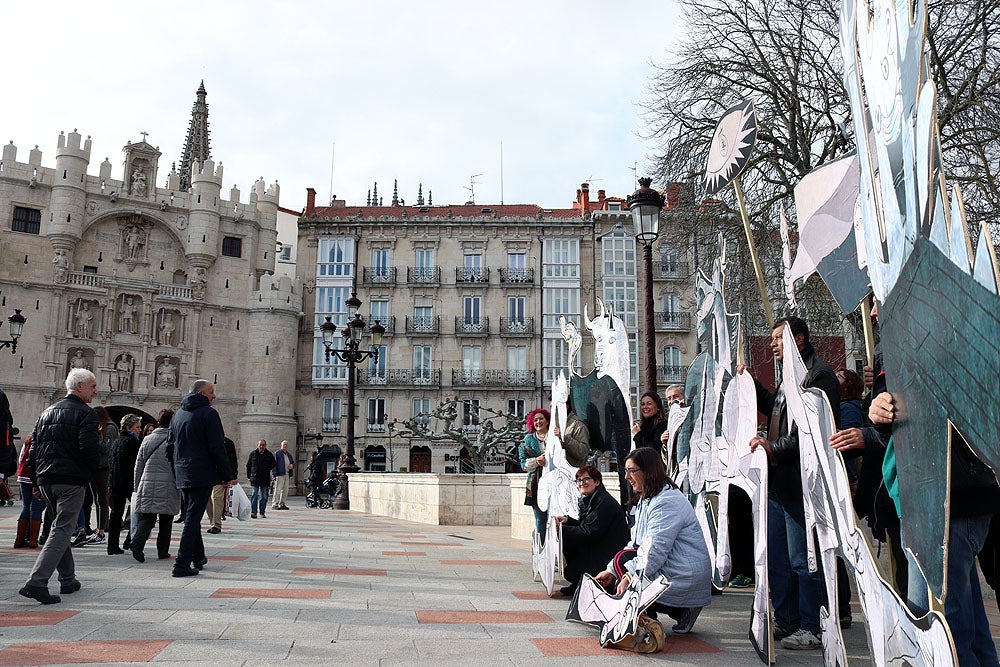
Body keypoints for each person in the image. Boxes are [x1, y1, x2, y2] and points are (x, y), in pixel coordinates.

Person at [871, 390, 1000, 665]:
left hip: (948, 497)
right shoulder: (898, 349)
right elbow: (897, 426)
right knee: (965, 630)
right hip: (922, 495)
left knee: (940, 635)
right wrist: (880, 414)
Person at [740, 315, 840, 650]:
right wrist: (750, 384)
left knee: (805, 559)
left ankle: (813, 624)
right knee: (780, 559)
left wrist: (771, 448)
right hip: (781, 484)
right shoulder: (789, 377)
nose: (772, 344)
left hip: (804, 487)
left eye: (778, 339)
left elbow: (812, 436)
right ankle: (788, 620)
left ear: (798, 340)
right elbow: (776, 409)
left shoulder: (818, 376)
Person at [594, 447, 712, 634]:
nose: (627, 477)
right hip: (672, 566)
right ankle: (649, 612)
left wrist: (629, 577)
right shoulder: (648, 498)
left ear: (648, 471)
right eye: (626, 471)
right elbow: (635, 544)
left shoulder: (667, 502)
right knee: (621, 561)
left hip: (684, 573)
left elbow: (654, 551)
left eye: (632, 471)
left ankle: (678, 611)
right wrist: (611, 571)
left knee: (626, 568)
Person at [19, 368, 100, 605]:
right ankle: (37, 581)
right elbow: (89, 450)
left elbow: (33, 450)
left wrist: (36, 481)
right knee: (62, 529)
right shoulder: (86, 414)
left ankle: (68, 578)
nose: (96, 391)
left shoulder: (46, 412)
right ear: (80, 387)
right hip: (71, 480)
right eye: (93, 386)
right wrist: (92, 474)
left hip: (47, 480)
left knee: (59, 527)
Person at [170, 379, 234, 577]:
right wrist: (226, 475)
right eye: (211, 392)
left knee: (192, 515)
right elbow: (217, 447)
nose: (214, 396)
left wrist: (176, 470)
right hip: (201, 472)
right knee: (192, 519)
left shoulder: (178, 415)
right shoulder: (209, 413)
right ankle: (181, 563)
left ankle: (198, 556)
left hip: (183, 473)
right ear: (200, 393)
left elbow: (169, 447)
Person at [555, 465, 630, 597]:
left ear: (597, 482)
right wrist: (567, 521)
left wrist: (562, 529)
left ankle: (582, 582)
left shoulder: (603, 502)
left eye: (585, 479)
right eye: (578, 480)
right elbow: (587, 525)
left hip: (608, 556)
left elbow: (590, 532)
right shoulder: (593, 499)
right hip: (601, 549)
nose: (581, 483)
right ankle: (578, 583)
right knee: (569, 541)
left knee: (570, 571)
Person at [131, 410, 179, 562]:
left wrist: (137, 486)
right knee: (166, 519)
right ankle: (162, 551)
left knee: (148, 517)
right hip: (169, 483)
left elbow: (138, 465)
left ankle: (137, 542)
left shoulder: (147, 439)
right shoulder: (175, 440)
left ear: (158, 422)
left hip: (147, 482)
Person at [107, 414, 142, 555]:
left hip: (115, 481)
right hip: (127, 482)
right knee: (139, 512)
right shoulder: (132, 442)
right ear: (128, 427)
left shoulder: (117, 441)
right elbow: (134, 465)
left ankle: (112, 545)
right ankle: (131, 541)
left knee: (116, 514)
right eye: (137, 427)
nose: (139, 430)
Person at [519, 408, 551, 542]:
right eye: (535, 419)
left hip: (554, 481)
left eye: (541, 418)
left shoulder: (554, 436)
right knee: (540, 518)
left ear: (548, 420)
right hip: (535, 484)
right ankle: (541, 547)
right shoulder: (528, 439)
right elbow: (523, 464)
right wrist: (537, 461)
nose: (538, 422)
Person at [14, 435, 45, 548]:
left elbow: (21, 456)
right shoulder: (44, 440)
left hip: (23, 475)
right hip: (37, 475)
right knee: (36, 507)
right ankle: (33, 540)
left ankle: (19, 539)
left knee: (26, 506)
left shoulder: (28, 441)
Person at [206, 437, 238, 534]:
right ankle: (212, 522)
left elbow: (232, 461)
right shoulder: (206, 440)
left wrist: (232, 476)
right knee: (207, 500)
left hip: (221, 476)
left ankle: (217, 524)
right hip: (207, 475)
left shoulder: (228, 443)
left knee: (216, 498)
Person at [247, 439, 276, 518]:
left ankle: (262, 512)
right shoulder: (253, 454)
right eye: (260, 445)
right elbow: (248, 466)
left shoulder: (269, 454)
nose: (262, 447)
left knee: (264, 497)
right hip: (255, 478)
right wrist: (248, 476)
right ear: (258, 445)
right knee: (254, 495)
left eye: (263, 445)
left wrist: (267, 470)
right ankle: (254, 512)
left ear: (265, 446)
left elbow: (273, 464)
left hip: (265, 478)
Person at [271, 440, 294, 511]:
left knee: (285, 490)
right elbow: (274, 465)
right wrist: (274, 474)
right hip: (279, 474)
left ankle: (282, 503)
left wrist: (292, 465)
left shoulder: (289, 454)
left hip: (287, 474)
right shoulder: (277, 454)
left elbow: (293, 462)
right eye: (284, 445)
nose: (285, 446)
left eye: (286, 445)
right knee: (278, 489)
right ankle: (275, 504)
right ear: (281, 446)